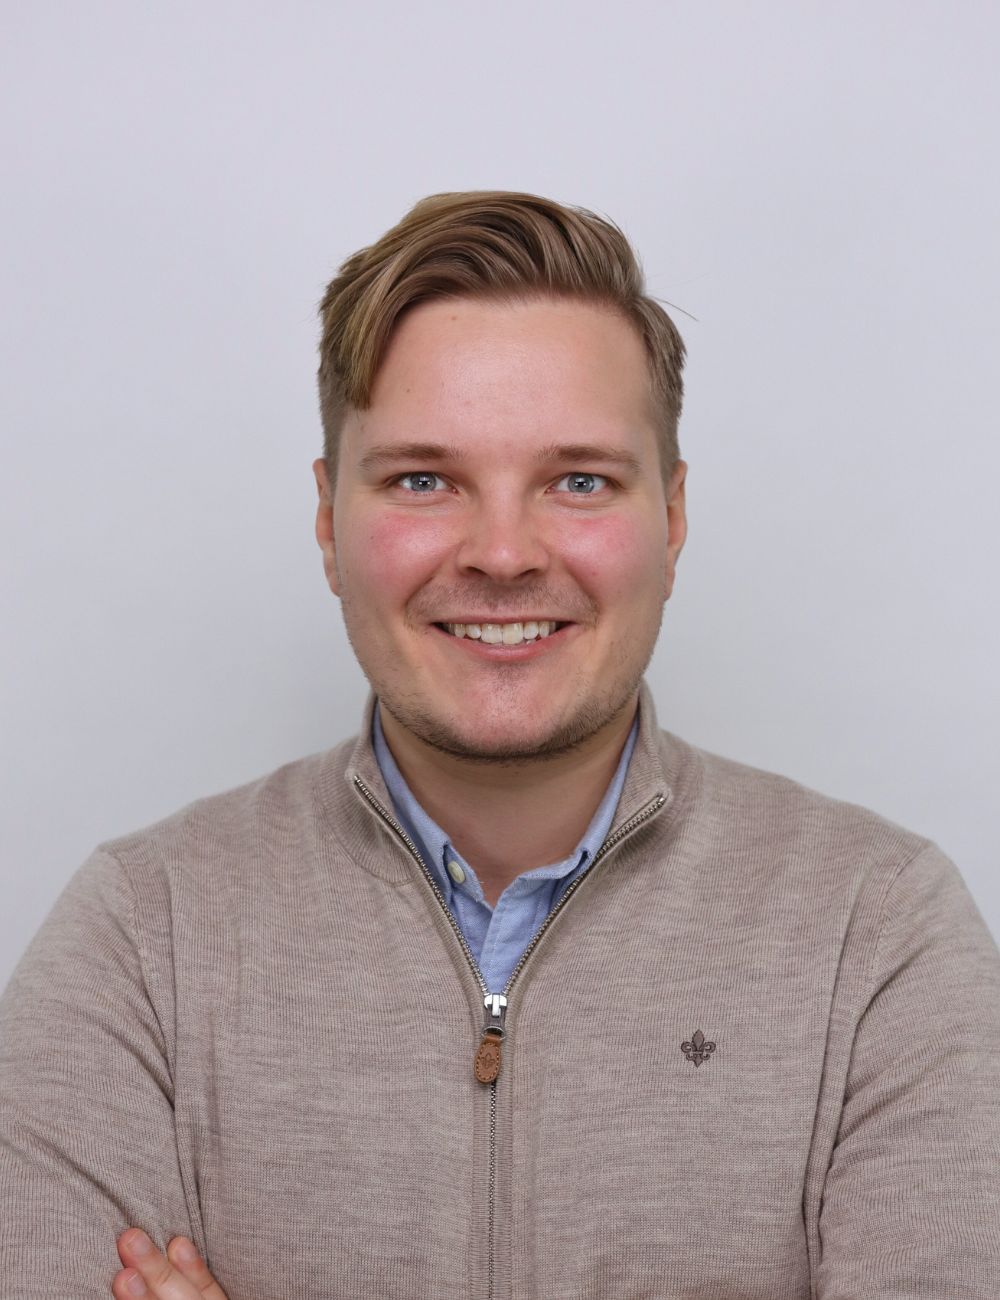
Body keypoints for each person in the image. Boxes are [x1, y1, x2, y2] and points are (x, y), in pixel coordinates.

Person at [2, 190, 999, 1300]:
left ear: (669, 518)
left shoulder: (878, 934)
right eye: (423, 478)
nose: (504, 551)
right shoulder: (146, 936)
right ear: (331, 521)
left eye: (578, 479)